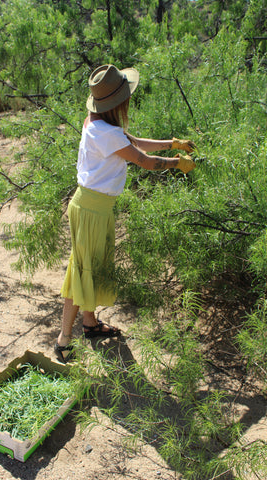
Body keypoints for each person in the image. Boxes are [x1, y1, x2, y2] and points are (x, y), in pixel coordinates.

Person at [55, 64, 196, 363]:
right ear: (116, 102)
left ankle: (90, 325)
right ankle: (64, 340)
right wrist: (175, 163)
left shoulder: (98, 125)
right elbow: (144, 161)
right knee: (81, 271)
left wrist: (173, 144)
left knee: (90, 268)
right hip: (92, 209)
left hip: (93, 207)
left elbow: (133, 143)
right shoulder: (105, 132)